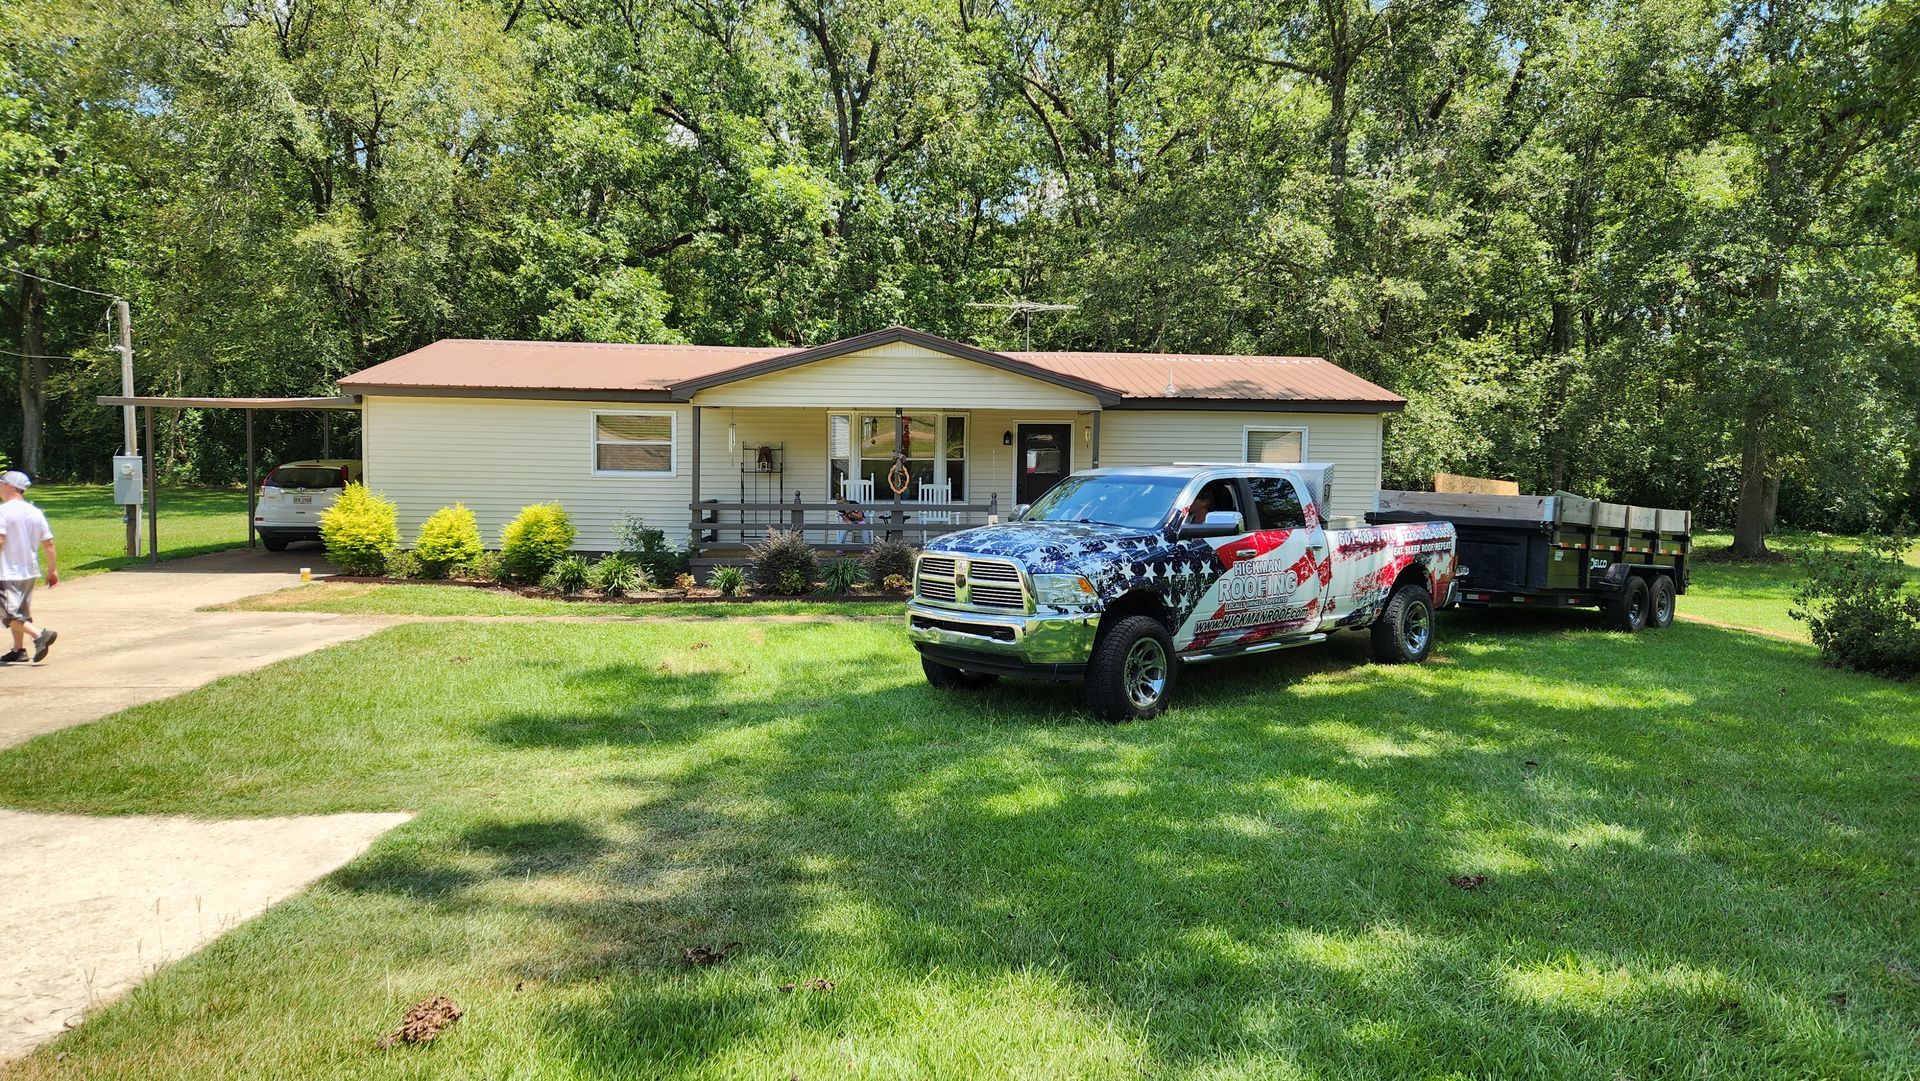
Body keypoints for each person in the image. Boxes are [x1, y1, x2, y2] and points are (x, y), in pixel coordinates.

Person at [0, 470, 57, 664]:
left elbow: (0, 540)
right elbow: (49, 543)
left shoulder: (3, 511)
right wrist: (52, 570)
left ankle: (39, 636)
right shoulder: (34, 512)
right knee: (20, 613)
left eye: (1, 483)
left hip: (6, 572)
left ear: (9, 486)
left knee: (8, 613)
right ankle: (18, 650)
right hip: (28, 572)